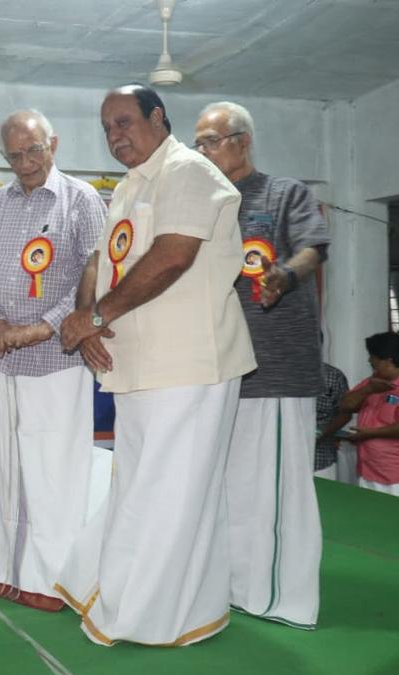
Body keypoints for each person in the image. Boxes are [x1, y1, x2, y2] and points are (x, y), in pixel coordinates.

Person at [56, 84, 255, 646]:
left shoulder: (189, 171)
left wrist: (95, 320)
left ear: (158, 117)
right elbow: (99, 259)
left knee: (172, 492)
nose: (115, 134)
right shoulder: (127, 186)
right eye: (107, 127)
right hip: (137, 363)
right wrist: (85, 317)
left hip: (192, 363)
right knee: (142, 487)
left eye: (124, 122)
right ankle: (149, 598)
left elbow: (173, 255)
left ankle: (153, 616)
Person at [194, 100, 330, 629]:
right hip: (220, 365)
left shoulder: (284, 193)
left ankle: (281, 595)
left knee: (276, 488)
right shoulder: (207, 202)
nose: (202, 150)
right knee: (230, 487)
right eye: (198, 143)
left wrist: (284, 277)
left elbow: (313, 248)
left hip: (275, 367)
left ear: (242, 141)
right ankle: (235, 584)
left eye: (211, 141)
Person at [0, 110, 106, 610]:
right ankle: (3, 567)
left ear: (54, 145)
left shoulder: (82, 200)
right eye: (14, 155)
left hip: (57, 358)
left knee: (54, 473)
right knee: (8, 470)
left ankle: (50, 579)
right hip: (5, 359)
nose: (25, 163)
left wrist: (42, 326)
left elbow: (96, 274)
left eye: (34, 151)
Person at [336, 332, 399, 496]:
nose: (369, 361)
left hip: (394, 476)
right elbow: (345, 406)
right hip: (367, 470)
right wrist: (368, 390)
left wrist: (369, 433)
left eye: (373, 357)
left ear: (388, 361)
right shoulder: (372, 382)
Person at [316, 361, 350, 480]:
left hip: (320, 460)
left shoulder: (332, 375)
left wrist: (320, 433)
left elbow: (345, 414)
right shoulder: (276, 374)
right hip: (280, 460)